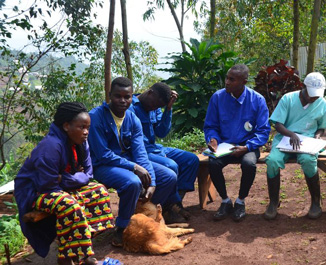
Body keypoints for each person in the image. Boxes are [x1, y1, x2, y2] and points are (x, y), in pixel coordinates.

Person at [14, 102, 115, 265]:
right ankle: (66, 259)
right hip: (36, 193)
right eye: (82, 127)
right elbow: (48, 183)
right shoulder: (50, 147)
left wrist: (68, 177)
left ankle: (83, 253)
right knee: (70, 206)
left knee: (99, 192)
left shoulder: (81, 142)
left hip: (60, 187)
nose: (86, 132)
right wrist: (76, 177)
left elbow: (88, 174)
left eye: (87, 127)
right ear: (66, 126)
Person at [88, 77, 183, 248]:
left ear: (132, 97)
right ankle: (122, 227)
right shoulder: (96, 117)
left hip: (128, 162)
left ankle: (140, 217)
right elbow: (103, 154)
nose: (123, 101)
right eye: (118, 96)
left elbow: (140, 153)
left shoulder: (132, 119)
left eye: (127, 96)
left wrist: (152, 181)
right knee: (132, 182)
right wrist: (134, 167)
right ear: (110, 95)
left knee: (168, 176)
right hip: (103, 165)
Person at [204, 64, 271, 222]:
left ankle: (240, 201)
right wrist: (213, 140)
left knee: (249, 164)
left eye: (232, 79)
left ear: (244, 82)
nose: (227, 82)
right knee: (213, 163)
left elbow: (263, 131)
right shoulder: (218, 98)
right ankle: (225, 201)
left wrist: (247, 147)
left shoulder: (257, 100)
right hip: (224, 147)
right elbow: (211, 125)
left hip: (248, 147)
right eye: (227, 78)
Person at [264, 72, 326, 220]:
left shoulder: (321, 102)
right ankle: (273, 202)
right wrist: (291, 134)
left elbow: (322, 126)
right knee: (273, 161)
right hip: (285, 139)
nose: (314, 98)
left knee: (308, 161)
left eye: (317, 95)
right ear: (303, 87)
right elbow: (278, 124)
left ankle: (316, 202)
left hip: (307, 142)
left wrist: (317, 136)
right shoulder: (288, 99)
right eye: (311, 94)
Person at [128, 82, 199, 219]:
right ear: (150, 93)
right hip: (141, 152)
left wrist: (168, 109)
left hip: (155, 149)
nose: (154, 108)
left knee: (191, 160)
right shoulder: (130, 108)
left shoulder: (156, 106)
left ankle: (172, 204)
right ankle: (169, 205)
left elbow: (162, 132)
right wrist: (162, 155)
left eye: (158, 107)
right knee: (170, 165)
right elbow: (136, 144)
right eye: (154, 105)